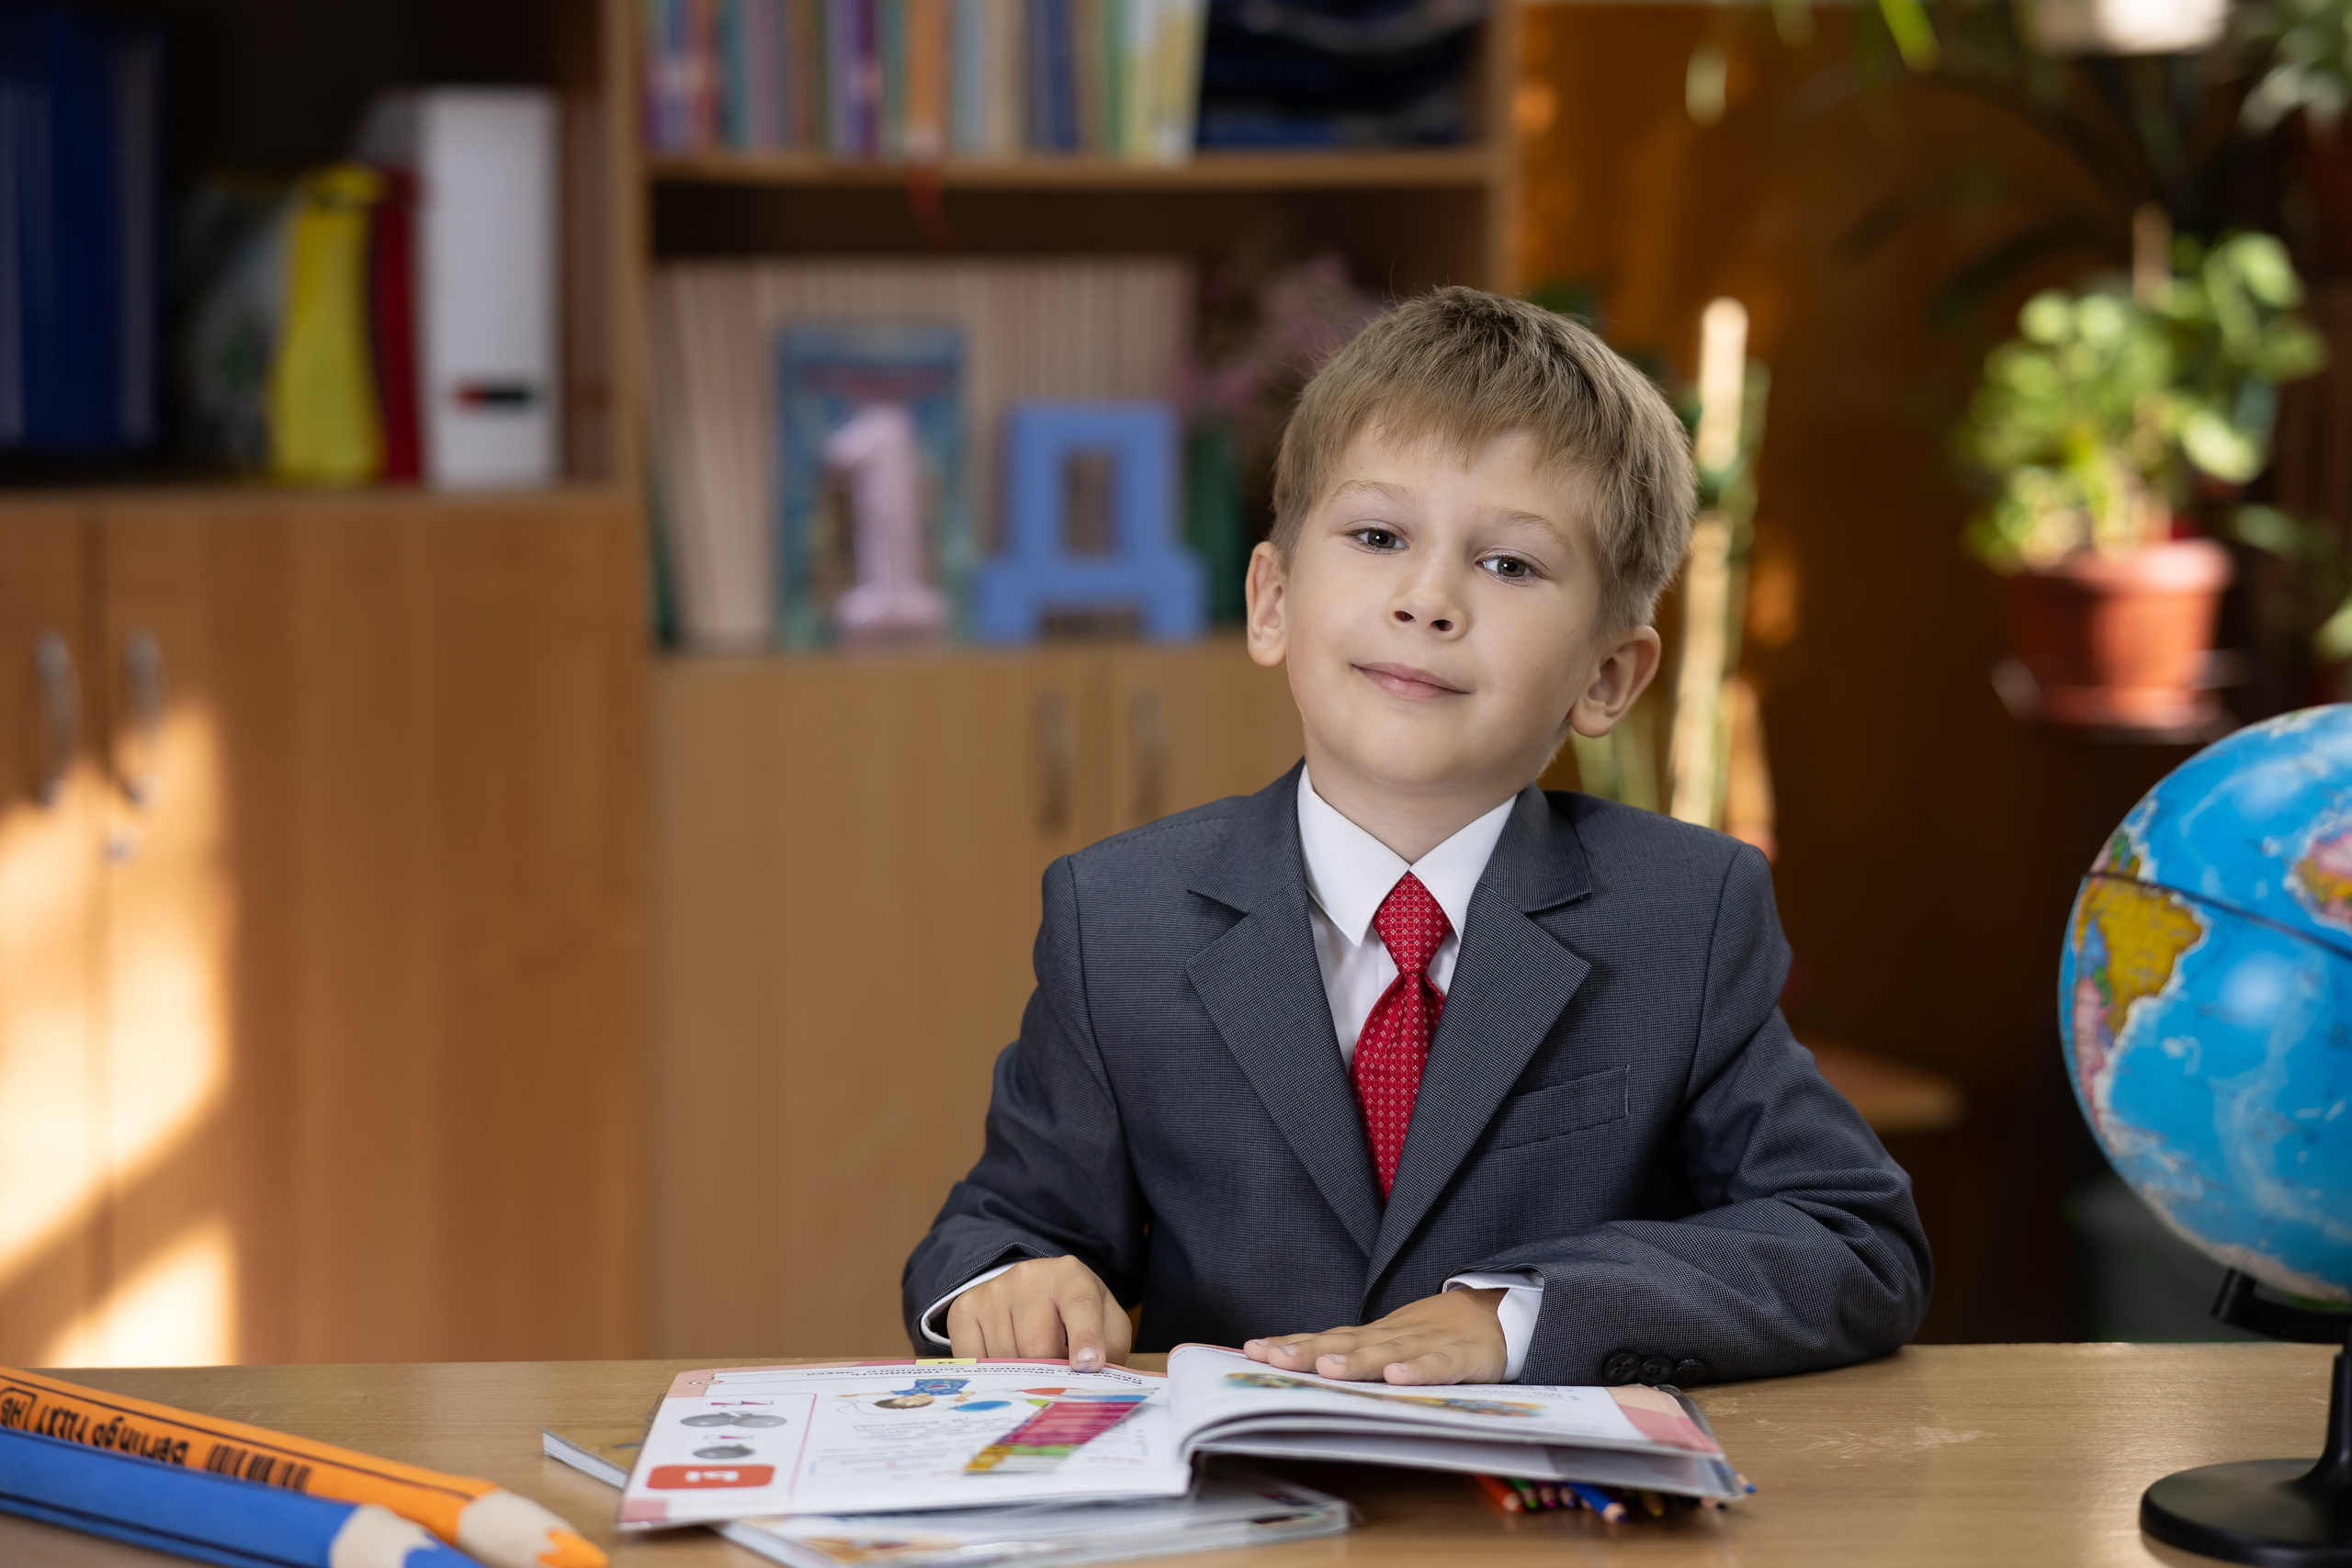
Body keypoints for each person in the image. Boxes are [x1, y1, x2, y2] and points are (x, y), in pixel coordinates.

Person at [900, 288, 1930, 1388]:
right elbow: (995, 1228)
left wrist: (1518, 1317)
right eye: (1379, 536)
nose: (1428, 600)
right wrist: (1011, 1280)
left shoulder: (1683, 909)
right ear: (1273, 601)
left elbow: (1850, 1241)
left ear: (1605, 676)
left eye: (1509, 565)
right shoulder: (1119, 919)